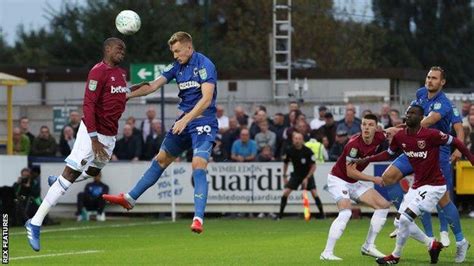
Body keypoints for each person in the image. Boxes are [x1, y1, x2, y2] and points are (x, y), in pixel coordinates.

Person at [102, 32, 217, 234]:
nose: (175, 55)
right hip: (184, 121)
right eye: (173, 52)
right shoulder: (176, 67)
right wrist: (126, 95)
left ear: (189, 48)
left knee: (198, 164)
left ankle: (198, 218)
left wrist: (186, 119)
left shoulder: (205, 65)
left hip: (203, 121)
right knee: (160, 160)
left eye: (177, 51)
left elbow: (206, 99)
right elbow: (152, 86)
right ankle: (130, 198)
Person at [25, 37, 128, 252]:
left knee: (93, 171)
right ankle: (35, 222)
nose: (122, 52)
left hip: (109, 135)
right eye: (119, 48)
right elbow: (88, 105)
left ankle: (58, 181)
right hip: (93, 132)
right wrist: (93, 138)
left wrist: (146, 87)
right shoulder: (97, 71)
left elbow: (122, 95)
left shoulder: (120, 74)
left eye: (124, 50)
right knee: (70, 175)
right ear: (107, 48)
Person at [355, 105, 474, 264]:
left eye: (413, 113)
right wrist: (367, 159)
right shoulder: (400, 137)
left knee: (404, 220)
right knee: (399, 221)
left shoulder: (431, 135)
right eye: (407, 113)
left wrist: (471, 158)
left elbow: (456, 142)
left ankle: (395, 256)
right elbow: (389, 154)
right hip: (417, 186)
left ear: (421, 118)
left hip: (434, 187)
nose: (408, 115)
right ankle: (432, 244)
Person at [382, 67, 464, 247]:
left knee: (443, 196)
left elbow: (429, 122)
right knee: (388, 177)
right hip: (414, 146)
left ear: (442, 82)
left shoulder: (445, 103)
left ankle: (448, 233)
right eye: (428, 77)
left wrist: (397, 129)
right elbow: (413, 117)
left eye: (434, 78)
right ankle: (410, 223)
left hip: (437, 150)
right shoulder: (420, 94)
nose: (429, 81)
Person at [320, 114, 390, 261]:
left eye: (370, 125)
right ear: (361, 126)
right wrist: (374, 179)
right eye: (364, 124)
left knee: (383, 206)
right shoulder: (353, 144)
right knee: (346, 212)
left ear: (376, 127)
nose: (366, 127)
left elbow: (393, 130)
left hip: (352, 182)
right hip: (338, 179)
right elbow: (350, 171)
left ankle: (368, 246)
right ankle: (327, 252)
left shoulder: (379, 136)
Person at [277, 131, 325, 220]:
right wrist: (284, 175)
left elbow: (314, 166)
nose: (297, 140)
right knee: (286, 192)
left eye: (299, 139)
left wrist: (307, 178)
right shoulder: (289, 150)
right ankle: (280, 216)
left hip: (307, 174)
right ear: (293, 140)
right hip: (296, 175)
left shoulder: (307, 151)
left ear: (302, 140)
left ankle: (322, 215)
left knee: (314, 193)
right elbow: (286, 163)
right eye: (295, 139)